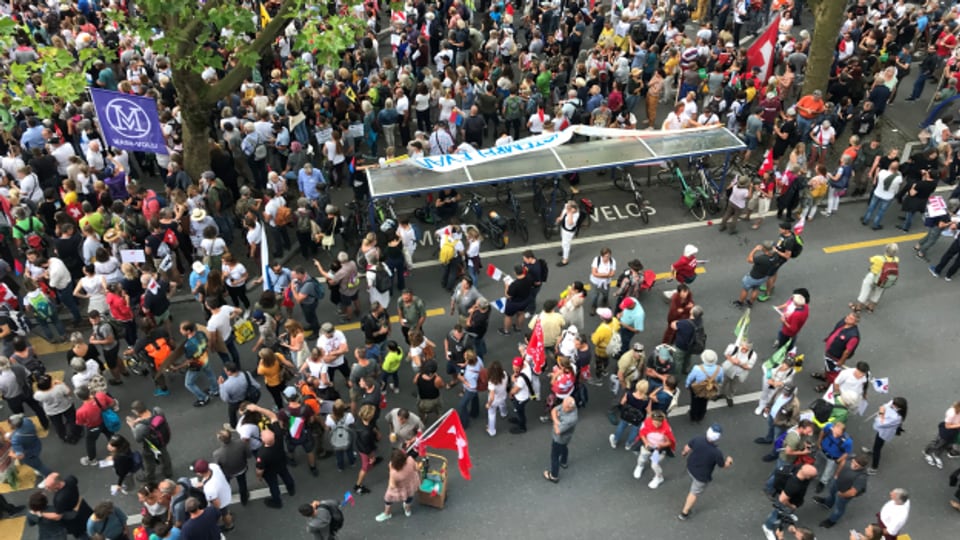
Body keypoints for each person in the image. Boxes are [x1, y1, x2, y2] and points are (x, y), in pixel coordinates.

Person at [677, 424, 734, 520]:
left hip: (691, 466)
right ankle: (684, 513)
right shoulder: (716, 453)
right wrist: (729, 461)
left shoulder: (697, 439)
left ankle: (685, 512)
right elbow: (723, 465)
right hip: (701, 476)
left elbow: (687, 447)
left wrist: (684, 453)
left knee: (692, 479)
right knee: (694, 493)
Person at [761, 464, 818, 539]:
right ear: (808, 477)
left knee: (786, 513)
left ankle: (787, 516)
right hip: (787, 503)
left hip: (794, 499)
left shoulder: (799, 470)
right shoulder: (794, 485)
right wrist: (792, 506)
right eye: (813, 476)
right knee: (776, 514)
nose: (814, 478)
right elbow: (782, 499)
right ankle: (767, 527)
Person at [813, 454, 869, 528]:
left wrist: (841, 495)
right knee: (832, 494)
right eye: (853, 463)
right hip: (837, 483)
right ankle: (828, 503)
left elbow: (852, 492)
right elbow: (843, 463)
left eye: (857, 466)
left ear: (862, 467)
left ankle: (831, 521)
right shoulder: (850, 458)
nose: (853, 466)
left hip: (845, 492)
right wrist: (836, 475)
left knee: (838, 508)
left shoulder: (862, 477)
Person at [127, 400, 174, 484]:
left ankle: (150, 477)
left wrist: (132, 426)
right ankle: (168, 472)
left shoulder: (141, 427)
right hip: (163, 439)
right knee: (164, 454)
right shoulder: (157, 411)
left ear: (135, 411)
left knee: (148, 461)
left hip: (151, 444)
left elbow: (138, 439)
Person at [174, 322, 219, 407]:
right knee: (210, 374)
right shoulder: (201, 334)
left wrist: (177, 367)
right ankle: (215, 390)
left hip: (196, 365)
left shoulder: (188, 345)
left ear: (188, 331)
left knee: (189, 384)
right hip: (205, 359)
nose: (180, 331)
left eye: (181, 329)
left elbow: (189, 360)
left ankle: (203, 398)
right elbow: (207, 342)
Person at [74, 384, 117, 466]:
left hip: (93, 427)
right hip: (105, 421)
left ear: (79, 398)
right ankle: (117, 451)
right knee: (111, 435)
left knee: (90, 441)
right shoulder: (100, 395)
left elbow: (80, 423)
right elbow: (112, 403)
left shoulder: (80, 411)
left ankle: (92, 459)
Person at [863, 397, 907, 475]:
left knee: (877, 448)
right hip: (882, 431)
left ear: (899, 408)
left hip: (884, 433)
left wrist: (881, 413)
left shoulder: (896, 418)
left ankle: (874, 468)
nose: (892, 405)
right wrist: (884, 407)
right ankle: (873, 451)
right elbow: (887, 404)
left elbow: (881, 424)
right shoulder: (893, 405)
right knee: (877, 444)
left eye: (894, 405)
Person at [42, 473, 94, 539]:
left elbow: (58, 516)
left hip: (74, 520)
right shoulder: (70, 479)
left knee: (81, 534)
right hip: (83, 508)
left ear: (57, 485)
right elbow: (75, 480)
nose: (46, 489)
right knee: (93, 524)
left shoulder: (59, 499)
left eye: (49, 487)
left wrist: (41, 513)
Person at [375, 448, 421, 521]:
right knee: (409, 498)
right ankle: (407, 510)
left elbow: (392, 485)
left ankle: (387, 513)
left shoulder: (394, 472)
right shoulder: (410, 459)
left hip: (401, 488)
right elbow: (417, 468)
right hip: (411, 483)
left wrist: (390, 470)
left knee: (388, 499)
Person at [851, 243, 899, 313]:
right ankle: (871, 308)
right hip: (884, 279)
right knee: (878, 292)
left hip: (873, 276)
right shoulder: (896, 259)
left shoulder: (878, 258)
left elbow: (871, 260)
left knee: (865, 291)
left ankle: (858, 308)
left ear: (886, 250)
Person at [543, 396, 579, 483]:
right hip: (566, 438)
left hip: (559, 439)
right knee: (564, 448)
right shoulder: (568, 405)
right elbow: (554, 410)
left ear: (570, 408)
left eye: (564, 407)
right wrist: (557, 421)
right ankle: (564, 462)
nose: (562, 407)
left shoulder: (571, 419)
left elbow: (558, 431)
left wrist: (555, 419)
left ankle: (554, 476)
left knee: (554, 456)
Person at [212, 429, 252, 507]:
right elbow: (249, 455)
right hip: (241, 468)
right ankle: (244, 499)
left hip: (228, 472)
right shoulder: (241, 443)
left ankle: (228, 495)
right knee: (242, 484)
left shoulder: (217, 454)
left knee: (226, 484)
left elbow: (218, 467)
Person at [191, 458, 234, 529]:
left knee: (224, 513)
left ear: (199, 473)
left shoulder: (209, 489)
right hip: (225, 490)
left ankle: (229, 525)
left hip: (222, 501)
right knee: (225, 511)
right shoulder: (213, 466)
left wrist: (216, 513)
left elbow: (217, 504)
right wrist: (204, 483)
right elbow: (211, 478)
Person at [7, 414, 52, 479]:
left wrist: (12, 454)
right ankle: (41, 471)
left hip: (29, 454)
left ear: (12, 425)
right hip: (36, 444)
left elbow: (20, 456)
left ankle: (48, 477)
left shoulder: (15, 439)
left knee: (39, 466)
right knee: (37, 463)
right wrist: (14, 433)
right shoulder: (26, 421)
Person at [609, 380, 650, 450]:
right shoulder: (646, 400)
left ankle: (615, 440)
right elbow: (648, 410)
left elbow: (622, 402)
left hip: (627, 414)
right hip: (637, 418)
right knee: (634, 430)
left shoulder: (629, 394)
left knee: (621, 426)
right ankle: (628, 444)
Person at [685, 349, 723, 424]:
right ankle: (700, 416)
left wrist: (687, 385)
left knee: (695, 402)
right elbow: (720, 380)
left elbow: (690, 378)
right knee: (704, 402)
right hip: (709, 388)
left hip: (698, 389)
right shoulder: (719, 369)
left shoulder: (697, 368)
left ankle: (693, 416)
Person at [353, 403, 382, 495]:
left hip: (361, 443)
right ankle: (358, 485)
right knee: (365, 467)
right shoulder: (366, 433)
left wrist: (376, 432)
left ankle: (372, 462)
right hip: (364, 449)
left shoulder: (359, 421)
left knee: (369, 460)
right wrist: (371, 457)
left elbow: (372, 426)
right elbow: (367, 448)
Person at [923, 401, 960, 470]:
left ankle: (936, 454)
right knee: (938, 443)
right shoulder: (952, 413)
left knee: (946, 444)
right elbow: (947, 426)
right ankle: (926, 452)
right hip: (947, 431)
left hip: (954, 431)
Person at [719, 340, 756, 407]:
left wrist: (739, 363)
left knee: (733, 387)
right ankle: (719, 393)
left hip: (738, 374)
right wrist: (732, 360)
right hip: (728, 370)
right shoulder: (733, 347)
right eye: (743, 348)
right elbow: (726, 354)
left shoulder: (753, 355)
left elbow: (749, 367)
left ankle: (729, 397)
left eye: (746, 349)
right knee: (722, 382)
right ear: (740, 345)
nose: (744, 350)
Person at [671, 305, 704, 375]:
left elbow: (673, 325)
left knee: (678, 361)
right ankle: (685, 370)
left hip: (681, 346)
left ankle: (676, 376)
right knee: (687, 358)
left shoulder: (684, 323)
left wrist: (677, 321)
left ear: (691, 312)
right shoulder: (700, 322)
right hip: (692, 346)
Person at [508, 356, 534, 435]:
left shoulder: (521, 379)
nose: (514, 370)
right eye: (513, 367)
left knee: (520, 412)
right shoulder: (525, 364)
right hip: (527, 394)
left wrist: (510, 393)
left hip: (521, 398)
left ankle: (522, 427)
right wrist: (515, 374)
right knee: (519, 411)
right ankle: (519, 420)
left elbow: (515, 390)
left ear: (521, 366)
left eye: (516, 368)